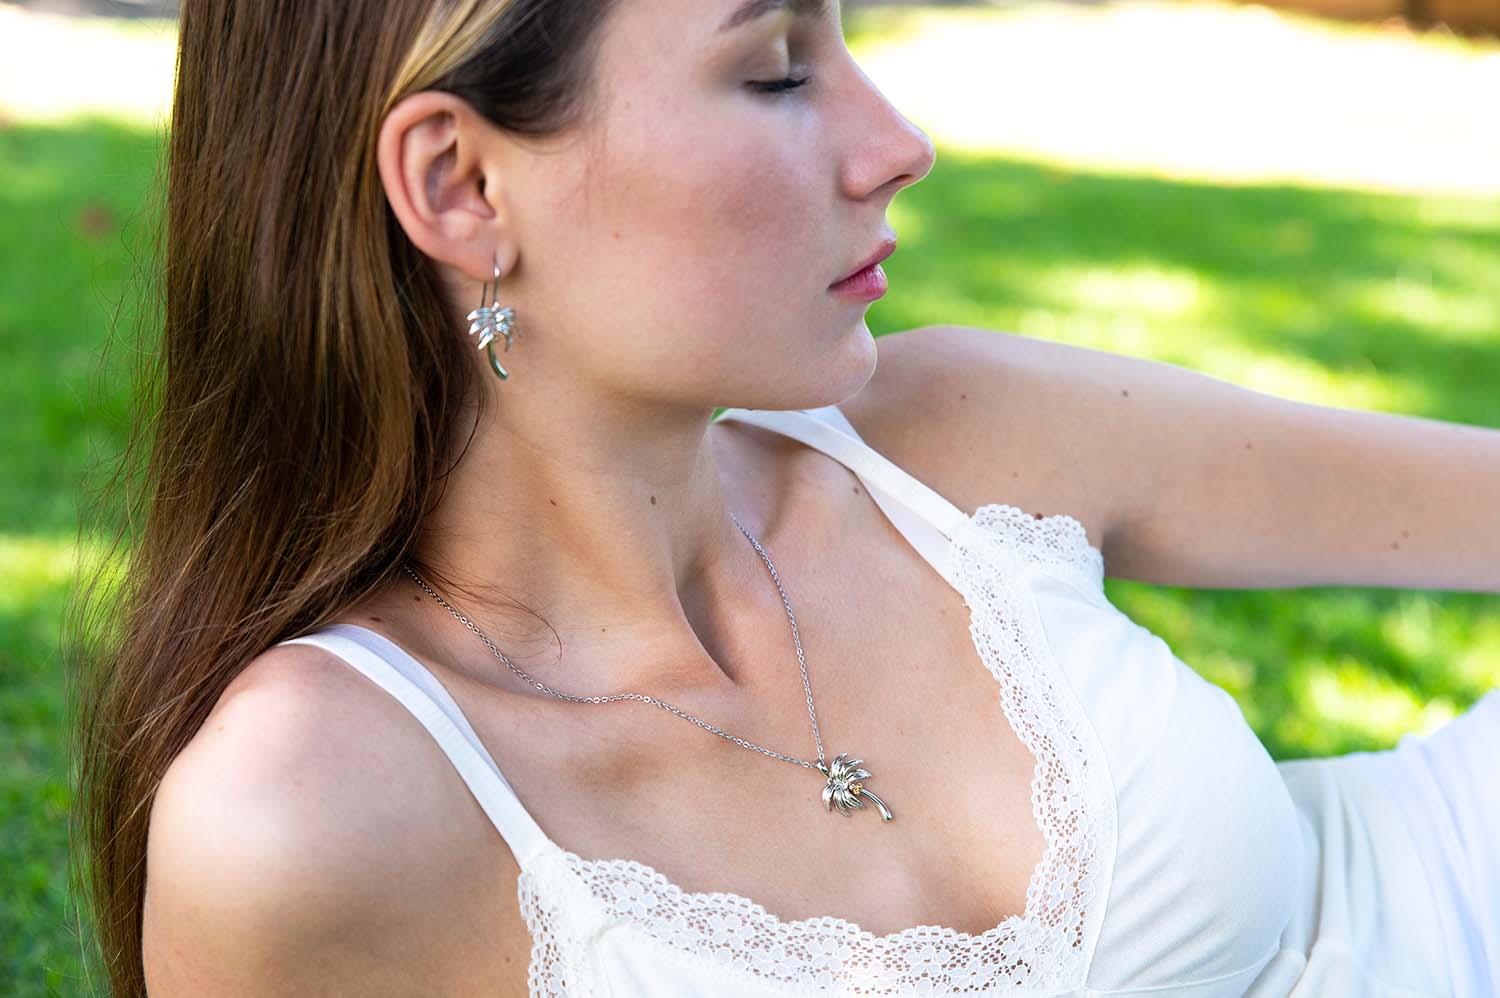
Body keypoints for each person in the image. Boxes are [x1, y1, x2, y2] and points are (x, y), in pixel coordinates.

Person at [65, 0, 1498, 995]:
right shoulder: (312, 816)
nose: (896, 145)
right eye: (776, 70)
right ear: (461, 185)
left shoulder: (954, 438)